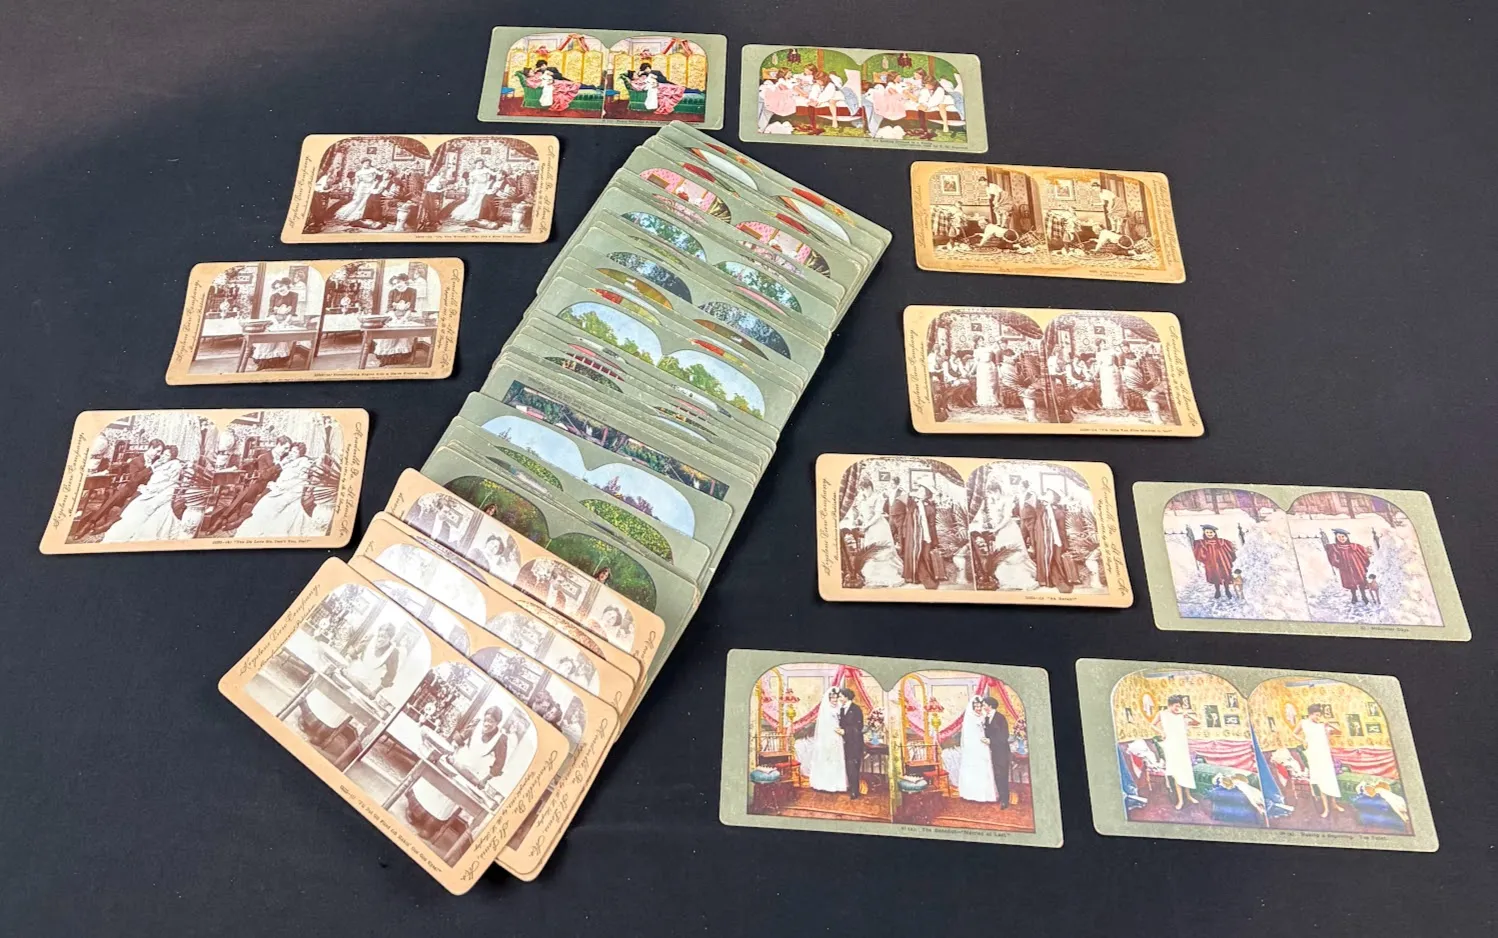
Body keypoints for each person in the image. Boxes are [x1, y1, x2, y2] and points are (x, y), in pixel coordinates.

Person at [200, 436, 289, 536]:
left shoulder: (285, 458)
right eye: (285, 448)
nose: (286, 451)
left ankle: (238, 522)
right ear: (278, 444)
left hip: (272, 487)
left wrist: (276, 481)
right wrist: (278, 465)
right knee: (244, 494)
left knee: (260, 500)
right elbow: (264, 475)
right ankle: (220, 520)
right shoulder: (264, 457)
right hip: (260, 483)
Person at [77, 439, 163, 536]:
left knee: (129, 505)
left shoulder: (157, 461)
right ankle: (89, 524)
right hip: (130, 487)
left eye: (160, 452)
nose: (159, 454)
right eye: (158, 451)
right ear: (151, 448)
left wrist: (147, 484)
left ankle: (107, 525)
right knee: (112, 499)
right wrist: (150, 468)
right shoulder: (136, 460)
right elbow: (134, 478)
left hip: (142, 490)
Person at [101, 444, 186, 542]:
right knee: (133, 506)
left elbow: (172, 483)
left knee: (141, 508)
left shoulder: (175, 465)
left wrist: (154, 489)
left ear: (172, 457)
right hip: (149, 489)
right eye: (163, 454)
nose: (163, 456)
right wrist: (147, 487)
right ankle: (115, 525)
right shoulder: (159, 462)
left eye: (167, 455)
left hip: (161, 492)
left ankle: (126, 528)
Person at [234, 442, 320, 538]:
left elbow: (299, 481)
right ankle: (243, 519)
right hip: (278, 487)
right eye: (291, 451)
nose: (291, 453)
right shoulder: (288, 460)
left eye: (295, 452)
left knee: (268, 504)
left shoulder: (303, 463)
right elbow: (275, 474)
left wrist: (278, 486)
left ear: (301, 454)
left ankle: (252, 523)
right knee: (262, 501)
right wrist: (276, 483)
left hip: (291, 491)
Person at [1294, 704, 1345, 818]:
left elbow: (1339, 731)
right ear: (1310, 714)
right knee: (1321, 781)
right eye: (1316, 715)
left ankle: (1334, 804)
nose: (1318, 717)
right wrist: (1303, 740)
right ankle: (1326, 809)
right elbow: (1294, 733)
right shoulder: (1303, 723)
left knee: (1330, 779)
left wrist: (1329, 723)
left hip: (1325, 755)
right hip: (1313, 755)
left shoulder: (1322, 725)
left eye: (1319, 715)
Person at [888, 482, 942, 589]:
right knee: (914, 555)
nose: (919, 491)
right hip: (912, 535)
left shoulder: (929, 508)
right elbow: (898, 503)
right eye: (919, 489)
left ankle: (926, 579)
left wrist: (934, 540)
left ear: (926, 493)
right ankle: (915, 577)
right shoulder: (913, 503)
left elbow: (932, 525)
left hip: (924, 535)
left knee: (924, 557)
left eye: (922, 490)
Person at [1019, 489, 1075, 592]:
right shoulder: (1041, 508)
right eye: (1046, 494)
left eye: (1049, 494)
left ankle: (1057, 581)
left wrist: (1064, 543)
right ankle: (1049, 580)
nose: (1045, 495)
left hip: (1054, 539)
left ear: (1054, 499)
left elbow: (1062, 529)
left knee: (1055, 559)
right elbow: (1028, 515)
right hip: (1042, 538)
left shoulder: (1058, 511)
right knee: (1046, 558)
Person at [1152, 694, 1200, 810]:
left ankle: (1188, 796)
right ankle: (1180, 800)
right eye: (1176, 706)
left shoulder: (1181, 716)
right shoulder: (1162, 714)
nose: (1177, 708)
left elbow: (1198, 722)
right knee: (1177, 773)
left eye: (1179, 706)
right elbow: (1152, 725)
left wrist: (1186, 713)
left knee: (1185, 771)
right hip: (1171, 747)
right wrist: (1161, 732)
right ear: (1170, 705)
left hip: (1182, 747)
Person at [804, 687, 848, 793]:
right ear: (828, 699)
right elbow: (824, 726)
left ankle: (838, 784)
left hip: (838, 736)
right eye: (832, 698)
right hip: (827, 736)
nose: (834, 700)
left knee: (837, 759)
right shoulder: (825, 709)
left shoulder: (840, 707)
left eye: (836, 697)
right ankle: (825, 784)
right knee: (827, 759)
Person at [370, 273, 420, 367]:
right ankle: (387, 358)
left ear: (404, 280)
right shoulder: (392, 292)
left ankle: (400, 357)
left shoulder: (412, 291)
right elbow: (389, 308)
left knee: (404, 335)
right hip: (393, 316)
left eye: (398, 282)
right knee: (389, 334)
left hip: (407, 316)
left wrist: (403, 319)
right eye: (394, 284)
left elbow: (411, 308)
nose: (397, 285)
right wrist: (395, 318)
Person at [956, 696, 998, 803]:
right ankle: (972, 794)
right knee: (974, 768)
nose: (978, 709)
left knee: (984, 767)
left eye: (980, 706)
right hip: (973, 747)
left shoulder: (984, 716)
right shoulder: (969, 718)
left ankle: (986, 795)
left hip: (983, 745)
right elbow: (968, 736)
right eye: (976, 706)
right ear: (972, 707)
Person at [453, 707, 508, 787]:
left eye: (491, 721)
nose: (486, 724)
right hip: (458, 764)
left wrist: (485, 780)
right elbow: (460, 738)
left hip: (474, 776)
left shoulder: (500, 739)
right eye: (486, 720)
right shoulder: (476, 724)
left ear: (497, 723)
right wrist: (456, 750)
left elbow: (499, 764)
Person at [343, 622, 401, 696]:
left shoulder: (392, 652)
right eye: (379, 636)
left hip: (366, 686)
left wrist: (376, 691)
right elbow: (354, 652)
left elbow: (391, 674)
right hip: (351, 674)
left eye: (384, 637)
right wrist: (346, 662)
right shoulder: (371, 639)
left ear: (390, 639)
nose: (380, 639)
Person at [1322, 528, 1375, 604]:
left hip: (1357, 566)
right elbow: (1333, 559)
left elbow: (1363, 554)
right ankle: (1354, 596)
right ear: (1336, 538)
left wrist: (1365, 558)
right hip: (1346, 568)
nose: (1341, 538)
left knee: (1361, 580)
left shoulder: (1354, 546)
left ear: (1346, 537)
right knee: (1350, 582)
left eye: (1343, 536)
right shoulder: (1335, 548)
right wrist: (1340, 564)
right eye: (1339, 537)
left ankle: (1364, 596)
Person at [1191, 523, 1238, 600]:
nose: (1209, 534)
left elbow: (1230, 550)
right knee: (1215, 575)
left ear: (1214, 533)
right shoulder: (1202, 543)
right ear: (1204, 533)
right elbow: (1200, 554)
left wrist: (1230, 556)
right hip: (1212, 562)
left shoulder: (1222, 542)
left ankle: (1227, 590)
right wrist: (1205, 559)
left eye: (1211, 532)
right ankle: (1217, 590)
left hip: (1223, 561)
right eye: (1207, 532)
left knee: (1225, 575)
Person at [833, 687, 864, 800]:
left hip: (855, 743)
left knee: (853, 766)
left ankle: (855, 791)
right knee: (848, 766)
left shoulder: (856, 709)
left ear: (846, 697)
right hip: (845, 742)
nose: (839, 698)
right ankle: (851, 787)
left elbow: (858, 727)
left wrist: (845, 731)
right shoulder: (842, 709)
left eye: (841, 696)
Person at [331, 158, 382, 225]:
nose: (367, 164)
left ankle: (360, 215)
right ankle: (345, 213)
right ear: (362, 163)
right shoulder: (358, 172)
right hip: (362, 186)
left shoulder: (373, 169)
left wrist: (382, 170)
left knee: (364, 201)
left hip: (370, 187)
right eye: (365, 163)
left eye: (368, 163)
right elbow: (357, 182)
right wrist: (356, 191)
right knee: (357, 200)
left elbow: (381, 174)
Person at [982, 696, 1011, 809]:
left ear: (990, 706)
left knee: (1002, 775)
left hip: (1002, 752)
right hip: (993, 752)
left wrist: (991, 741)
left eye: (984, 705)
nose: (983, 707)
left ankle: (1005, 800)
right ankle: (1001, 796)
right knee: (996, 775)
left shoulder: (1000, 718)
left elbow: (1004, 736)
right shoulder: (986, 718)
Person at [448, 158, 496, 226]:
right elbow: (471, 183)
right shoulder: (472, 173)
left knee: (480, 201)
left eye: (481, 163)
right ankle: (465, 214)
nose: (480, 164)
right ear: (475, 164)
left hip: (484, 187)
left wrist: (493, 170)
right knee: (472, 201)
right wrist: (471, 190)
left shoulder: (486, 170)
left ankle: (479, 215)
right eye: (478, 163)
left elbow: (494, 174)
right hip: (476, 188)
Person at [972, 336, 998, 407]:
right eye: (980, 341)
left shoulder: (989, 348)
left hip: (990, 366)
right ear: (977, 343)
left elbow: (996, 351)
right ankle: (983, 401)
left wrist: (997, 342)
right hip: (982, 367)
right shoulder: (976, 351)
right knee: (983, 383)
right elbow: (976, 362)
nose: (982, 342)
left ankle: (992, 400)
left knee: (991, 383)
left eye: (983, 340)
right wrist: (971, 371)